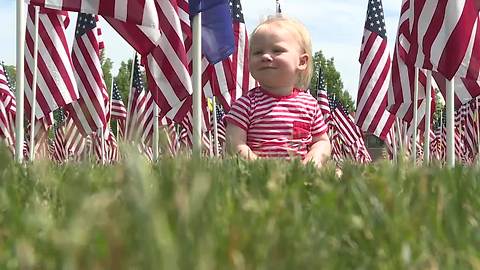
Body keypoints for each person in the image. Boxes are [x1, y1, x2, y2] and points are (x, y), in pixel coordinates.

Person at [224, 15, 331, 167]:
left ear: (301, 62)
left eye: (277, 50)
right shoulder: (245, 104)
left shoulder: (310, 105)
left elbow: (322, 141)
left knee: (339, 175)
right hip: (256, 176)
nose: (266, 56)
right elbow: (233, 143)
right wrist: (260, 166)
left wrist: (314, 158)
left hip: (299, 175)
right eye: (257, 52)